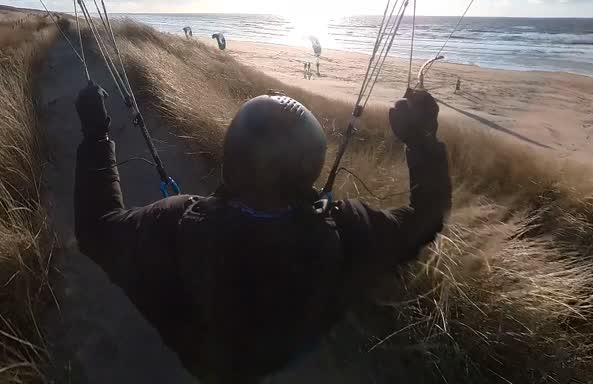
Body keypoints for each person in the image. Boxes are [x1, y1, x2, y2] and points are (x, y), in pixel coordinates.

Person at [74, 85, 451, 382]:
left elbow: (96, 228)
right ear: (311, 166)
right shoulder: (345, 228)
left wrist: (95, 135)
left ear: (232, 158)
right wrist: (422, 140)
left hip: (200, 357)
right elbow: (426, 218)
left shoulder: (173, 223)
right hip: (282, 352)